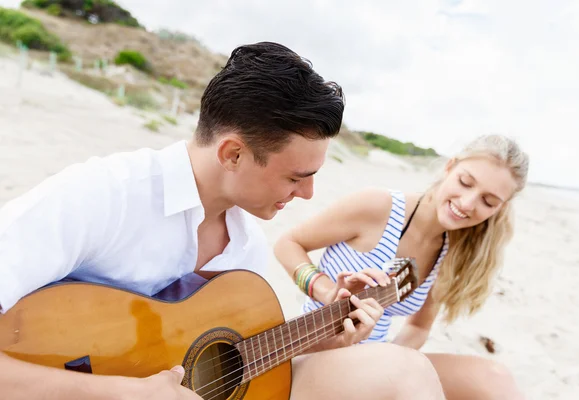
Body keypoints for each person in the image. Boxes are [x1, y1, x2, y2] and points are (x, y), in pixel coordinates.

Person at [0, 42, 445, 400]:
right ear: (233, 153)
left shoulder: (244, 245)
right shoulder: (104, 194)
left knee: (402, 373)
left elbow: (229, 367)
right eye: (296, 176)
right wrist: (120, 392)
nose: (308, 193)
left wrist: (328, 333)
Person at [274, 134, 529, 400]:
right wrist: (326, 292)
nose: (467, 203)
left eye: (488, 202)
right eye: (465, 182)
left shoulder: (451, 251)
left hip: (374, 364)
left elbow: (418, 328)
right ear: (449, 167)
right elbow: (287, 243)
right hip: (312, 352)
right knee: (412, 372)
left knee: (495, 380)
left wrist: (390, 360)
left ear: (500, 208)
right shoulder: (378, 207)